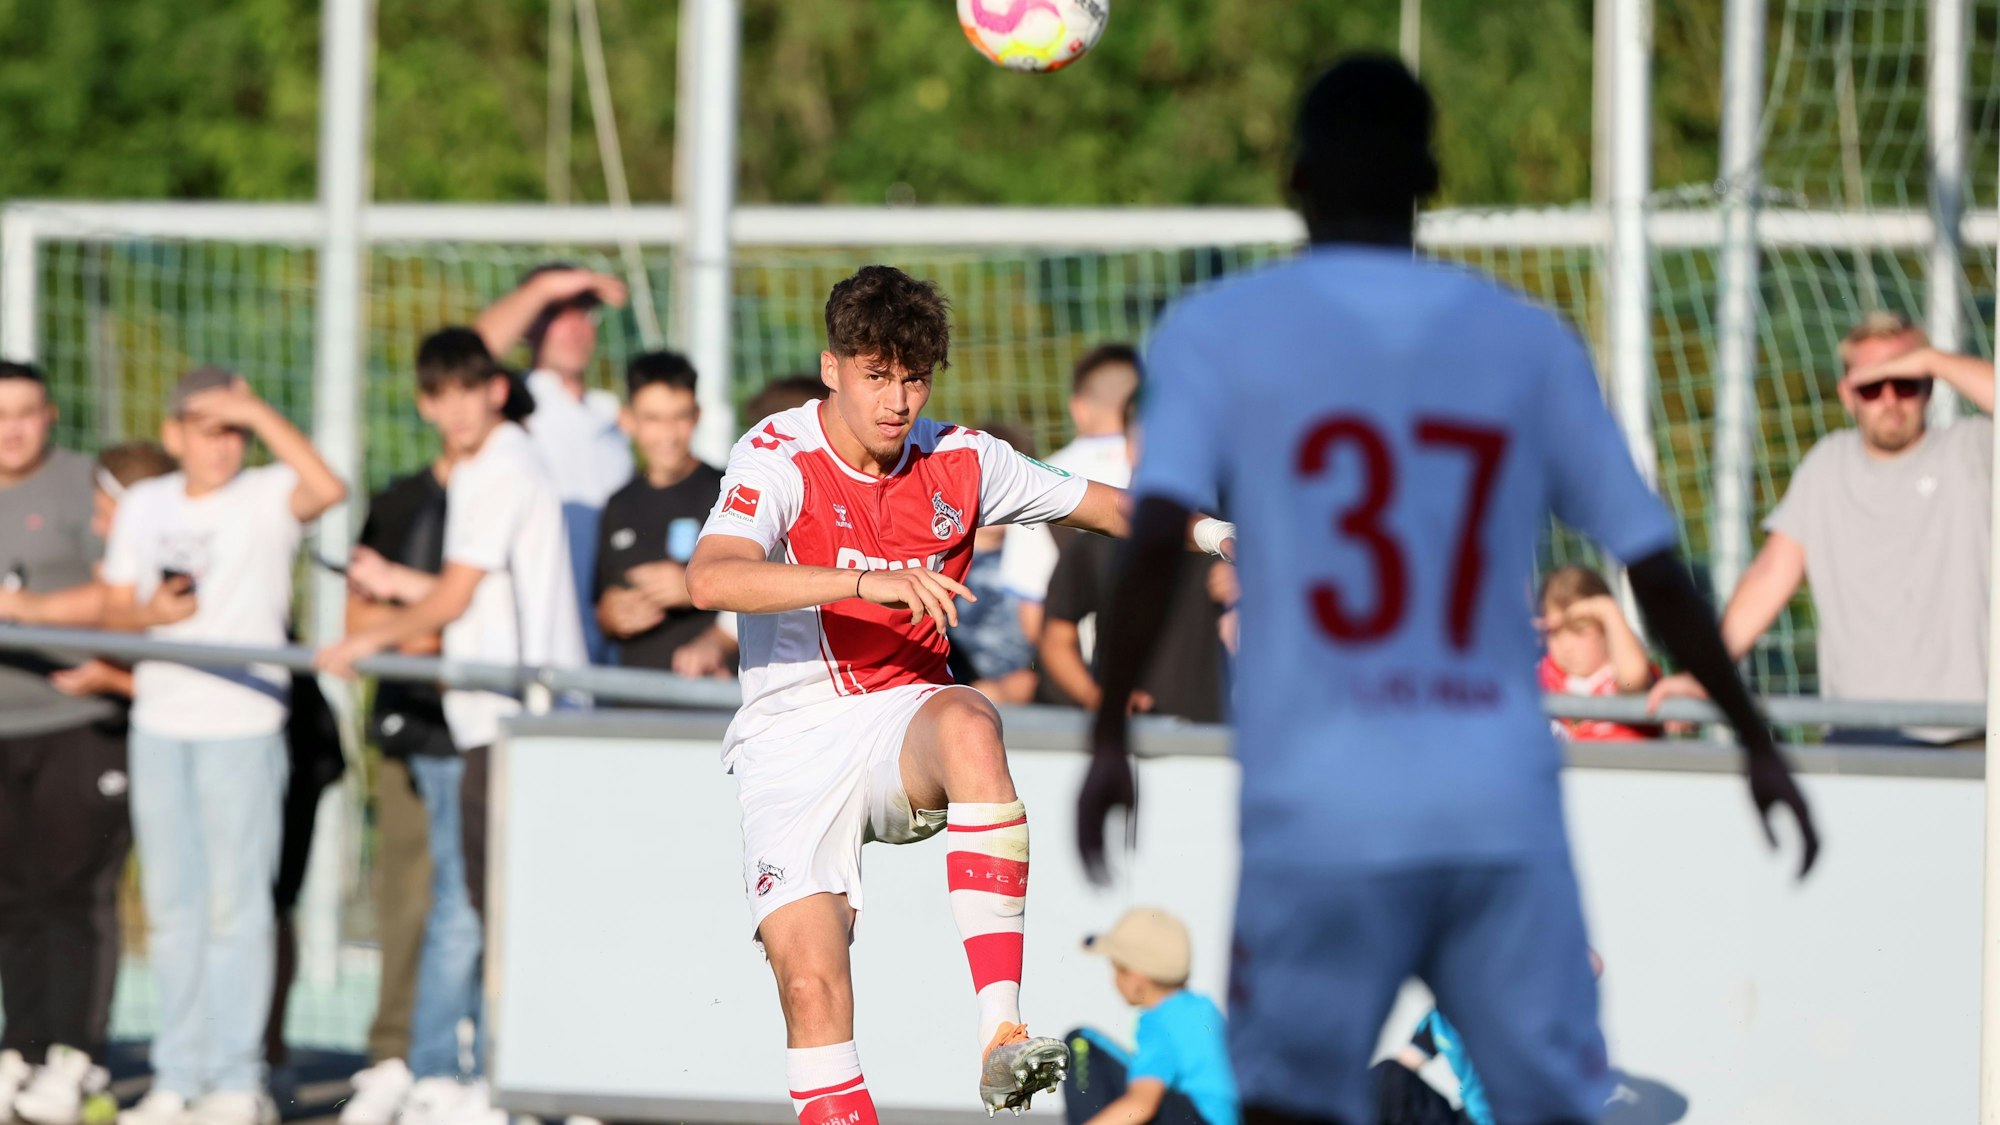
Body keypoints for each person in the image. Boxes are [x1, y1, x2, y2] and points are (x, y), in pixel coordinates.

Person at [1080, 55, 1817, 1125]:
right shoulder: (1520, 337)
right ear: (1430, 173)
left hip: (1318, 802)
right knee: (1541, 1106)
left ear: (1293, 176)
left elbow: (1152, 540)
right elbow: (1652, 565)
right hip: (1492, 802)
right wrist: (1752, 737)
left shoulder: (1219, 328)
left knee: (1291, 1105)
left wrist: (1106, 733)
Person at [683, 266, 1232, 1123]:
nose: (898, 399)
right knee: (812, 986)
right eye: (877, 374)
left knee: (973, 718)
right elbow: (711, 577)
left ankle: (1000, 1030)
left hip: (903, 721)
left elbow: (1101, 505)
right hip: (788, 742)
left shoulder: (963, 459)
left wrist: (1214, 531)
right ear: (832, 369)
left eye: (914, 376)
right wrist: (864, 582)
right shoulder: (776, 453)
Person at [318, 328, 586, 1125]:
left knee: (481, 906)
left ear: (496, 390)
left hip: (513, 719)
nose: (458, 407)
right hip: (491, 718)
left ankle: (473, 1071)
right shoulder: (491, 466)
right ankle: (469, 1069)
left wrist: (361, 640)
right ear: (426, 401)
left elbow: (454, 599)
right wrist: (395, 581)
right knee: (478, 901)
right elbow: (469, 586)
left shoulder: (500, 463)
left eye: (473, 387)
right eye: (443, 393)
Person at [100, 366, 347, 1125]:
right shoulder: (145, 503)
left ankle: (237, 1077)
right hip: (162, 724)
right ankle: (178, 1071)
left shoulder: (267, 495)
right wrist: (153, 613)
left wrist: (254, 407)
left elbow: (327, 487)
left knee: (236, 908)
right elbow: (114, 613)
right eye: (207, 428)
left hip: (243, 726)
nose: (223, 445)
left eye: (233, 430)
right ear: (174, 434)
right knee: (174, 909)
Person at [1648, 311, 1996, 747]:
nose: (1890, 398)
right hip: (1860, 732)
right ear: (1847, 396)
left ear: (1929, 386)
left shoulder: (1972, 450)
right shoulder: (1827, 467)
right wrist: (1707, 673)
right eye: (1871, 386)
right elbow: (1771, 574)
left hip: (1970, 731)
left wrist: (1935, 360)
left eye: (1906, 381)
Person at [0, 367, 144, 1125]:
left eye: (26, 414)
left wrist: (25, 609)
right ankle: (19, 1045)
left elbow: (121, 589)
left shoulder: (81, 487)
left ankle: (75, 1050)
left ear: (50, 416)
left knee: (74, 893)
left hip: (74, 723)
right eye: (0, 416)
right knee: (12, 894)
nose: (12, 429)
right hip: (4, 730)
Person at [334, 447, 461, 1125]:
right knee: (407, 896)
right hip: (412, 725)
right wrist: (423, 630)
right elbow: (360, 626)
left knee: (469, 907)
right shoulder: (400, 500)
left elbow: (475, 612)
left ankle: (458, 1057)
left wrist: (417, 620)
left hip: (485, 729)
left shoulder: (509, 489)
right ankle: (396, 1054)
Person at [475, 264, 634, 662]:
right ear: (530, 323)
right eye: (555, 314)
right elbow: (467, 357)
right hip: (538, 641)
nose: (574, 328)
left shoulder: (611, 419)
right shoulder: (516, 404)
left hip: (609, 640)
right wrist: (543, 287)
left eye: (583, 313)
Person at [1041, 396, 1226, 722]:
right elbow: (1056, 637)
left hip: (1215, 739)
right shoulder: (1098, 542)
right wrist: (1097, 698)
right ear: (1129, 446)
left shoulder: (1231, 538)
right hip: (1123, 742)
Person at [998, 344, 1143, 646]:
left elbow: (1032, 617)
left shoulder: (1036, 479)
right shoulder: (1182, 473)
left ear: (1078, 408)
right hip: (1193, 672)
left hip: (1086, 674)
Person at [594, 351, 725, 677]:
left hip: (710, 700)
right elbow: (601, 603)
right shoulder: (619, 504)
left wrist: (694, 587)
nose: (668, 434)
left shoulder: (728, 492)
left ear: (697, 415)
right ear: (627, 420)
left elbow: (767, 586)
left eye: (679, 417)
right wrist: (609, 617)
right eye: (653, 419)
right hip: (633, 702)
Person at [1063, 908, 1238, 1125]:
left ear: (1136, 977)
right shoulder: (1202, 1010)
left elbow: (1141, 1105)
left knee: (1080, 1041)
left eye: (1116, 967)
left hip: (1197, 1120)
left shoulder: (1159, 1021)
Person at [945, 422, 1039, 705]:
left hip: (1031, 694)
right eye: (989, 483)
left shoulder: (1040, 555)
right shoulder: (937, 556)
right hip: (954, 691)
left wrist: (1031, 680)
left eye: (1011, 485)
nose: (999, 497)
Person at [1535, 566, 1658, 742]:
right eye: (1555, 633)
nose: (1566, 646)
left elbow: (1633, 680)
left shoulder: (1620, 672)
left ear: (1607, 626)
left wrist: (1608, 610)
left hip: (1623, 767)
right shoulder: (1549, 673)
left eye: (1579, 630)